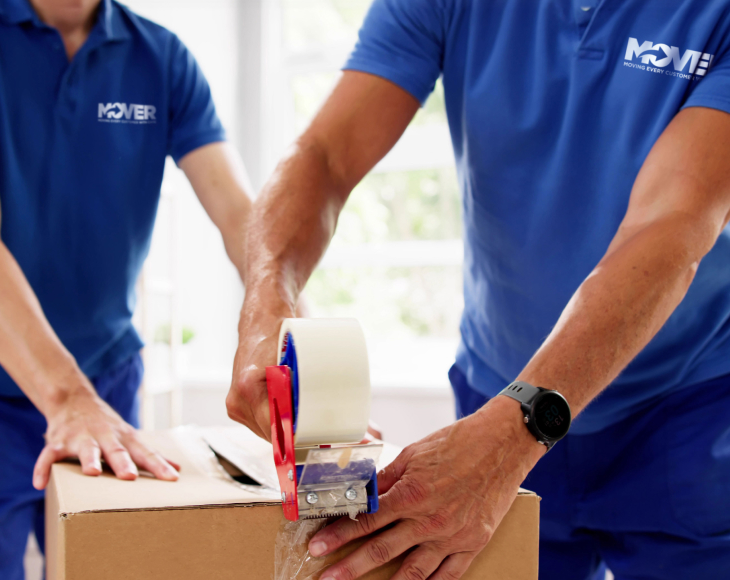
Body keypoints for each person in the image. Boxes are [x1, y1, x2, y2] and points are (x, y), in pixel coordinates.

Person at [229, 1, 730, 579]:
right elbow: (325, 154)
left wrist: (517, 429)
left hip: (681, 417)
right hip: (497, 388)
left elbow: (670, 226)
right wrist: (265, 301)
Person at [0, 0, 253, 577]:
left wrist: (305, 348)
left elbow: (242, 217)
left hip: (104, 380)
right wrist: (66, 398)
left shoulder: (160, 57)